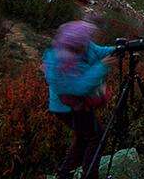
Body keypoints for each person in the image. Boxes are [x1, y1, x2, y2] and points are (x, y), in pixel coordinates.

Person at [43, 17, 116, 179]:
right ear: (74, 46)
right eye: (83, 44)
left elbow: (98, 51)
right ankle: (89, 175)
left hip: (77, 106)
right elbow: (78, 87)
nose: (86, 46)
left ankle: (65, 173)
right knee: (96, 136)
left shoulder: (84, 45)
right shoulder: (59, 62)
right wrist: (102, 66)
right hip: (67, 108)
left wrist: (119, 48)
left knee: (84, 138)